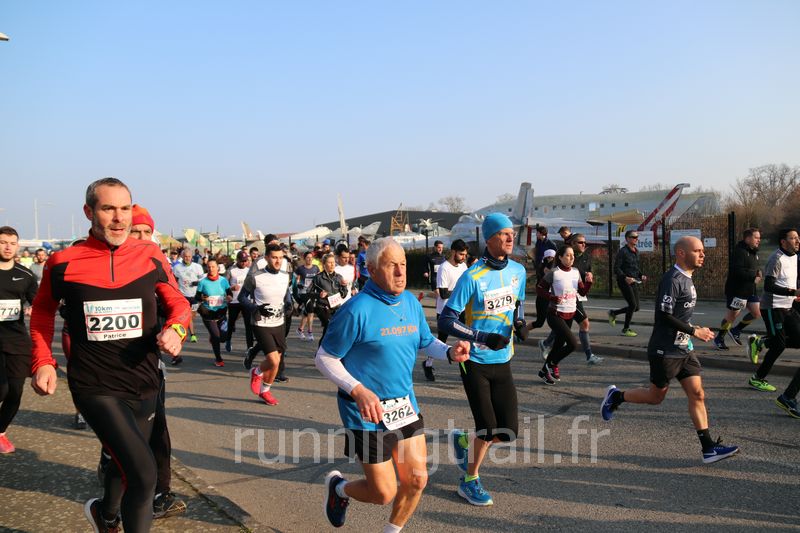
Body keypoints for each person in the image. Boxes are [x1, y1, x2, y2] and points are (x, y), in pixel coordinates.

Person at [30, 177, 191, 533]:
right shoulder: (62, 262)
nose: (119, 218)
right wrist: (43, 361)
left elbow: (178, 303)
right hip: (95, 386)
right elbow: (41, 312)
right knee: (144, 474)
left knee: (124, 463)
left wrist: (177, 330)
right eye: (108, 209)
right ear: (89, 212)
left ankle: (105, 516)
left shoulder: (150, 255)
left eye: (125, 208)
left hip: (145, 381)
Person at [316, 237, 470, 531]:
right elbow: (324, 358)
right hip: (366, 413)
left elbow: (425, 341)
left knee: (417, 480)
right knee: (383, 493)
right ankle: (339, 488)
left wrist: (449, 352)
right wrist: (357, 390)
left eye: (403, 264)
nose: (400, 272)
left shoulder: (410, 302)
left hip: (404, 406)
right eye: (391, 266)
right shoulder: (355, 310)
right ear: (372, 270)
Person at [601, 236, 739, 464]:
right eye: (697, 251)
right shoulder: (672, 279)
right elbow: (663, 315)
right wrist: (694, 331)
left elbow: (679, 315)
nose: (703, 255)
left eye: (703, 251)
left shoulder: (688, 278)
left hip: (684, 349)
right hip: (664, 350)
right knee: (655, 397)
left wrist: (693, 330)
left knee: (697, 394)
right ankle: (616, 396)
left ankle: (708, 449)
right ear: (682, 253)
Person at [438, 213, 527, 506]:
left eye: (511, 233)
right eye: (503, 233)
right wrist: (483, 337)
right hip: (474, 361)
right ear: (489, 239)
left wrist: (520, 322)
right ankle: (469, 480)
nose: (511, 237)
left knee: (508, 432)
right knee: (487, 428)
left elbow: (518, 302)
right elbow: (447, 320)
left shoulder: (518, 270)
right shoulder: (472, 276)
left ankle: (465, 441)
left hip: (503, 359)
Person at [127, 204, 188, 519]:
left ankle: (161, 493)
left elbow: (178, 303)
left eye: (146, 232)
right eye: (135, 231)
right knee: (121, 435)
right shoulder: (102, 263)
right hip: (105, 370)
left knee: (157, 432)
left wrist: (175, 329)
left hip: (149, 363)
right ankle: (114, 490)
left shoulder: (156, 262)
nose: (141, 237)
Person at [746, 228, 800, 392]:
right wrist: (793, 292)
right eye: (793, 238)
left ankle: (761, 342)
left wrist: (794, 295)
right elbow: (769, 286)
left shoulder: (795, 256)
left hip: (788, 307)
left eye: (798, 237)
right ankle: (757, 379)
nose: (798, 241)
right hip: (772, 308)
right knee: (778, 345)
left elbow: (788, 280)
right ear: (783, 242)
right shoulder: (776, 259)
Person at [0, 226, 38, 454]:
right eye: (3, 242)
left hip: (16, 340)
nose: (8, 247)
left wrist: (34, 308)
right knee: (1, 389)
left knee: (15, 392)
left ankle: (0, 431)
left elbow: (39, 303)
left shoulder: (25, 275)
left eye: (12, 243)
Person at [239, 243, 292, 406]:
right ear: (267, 258)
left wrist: (289, 304)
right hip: (261, 323)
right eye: (274, 257)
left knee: (277, 359)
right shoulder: (255, 276)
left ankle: (264, 390)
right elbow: (242, 297)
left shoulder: (285, 276)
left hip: (279, 322)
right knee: (274, 360)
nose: (278, 261)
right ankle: (257, 372)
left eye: (280, 258)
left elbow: (286, 293)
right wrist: (255, 308)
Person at [538, 234, 603, 365]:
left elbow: (583, 285)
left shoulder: (585, 258)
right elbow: (544, 282)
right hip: (561, 303)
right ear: (572, 243)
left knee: (565, 329)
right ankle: (587, 356)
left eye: (585, 242)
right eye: (580, 242)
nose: (584, 244)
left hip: (575, 298)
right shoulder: (561, 262)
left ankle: (548, 348)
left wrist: (589, 280)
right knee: (577, 329)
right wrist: (552, 296)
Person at [536, 244, 592, 384]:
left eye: (573, 255)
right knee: (573, 344)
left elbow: (582, 292)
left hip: (569, 313)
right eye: (568, 255)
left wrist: (589, 283)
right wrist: (552, 297)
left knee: (558, 345)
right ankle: (551, 364)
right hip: (555, 314)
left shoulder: (575, 272)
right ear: (560, 257)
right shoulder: (554, 273)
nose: (571, 258)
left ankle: (544, 371)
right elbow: (540, 289)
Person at [423, 239, 468, 381]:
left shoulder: (463, 266)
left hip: (462, 309)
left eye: (465, 255)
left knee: (464, 340)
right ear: (453, 252)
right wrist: (460, 291)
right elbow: (443, 293)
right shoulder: (444, 268)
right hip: (445, 311)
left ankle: (464, 371)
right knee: (441, 340)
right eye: (461, 254)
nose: (463, 257)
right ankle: (428, 364)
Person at [714, 228, 762, 350]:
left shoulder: (753, 252)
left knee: (756, 313)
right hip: (737, 290)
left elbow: (751, 268)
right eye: (756, 237)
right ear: (748, 238)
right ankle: (719, 338)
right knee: (732, 316)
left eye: (759, 238)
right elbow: (737, 271)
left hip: (750, 290)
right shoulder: (739, 251)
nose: (759, 240)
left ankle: (736, 330)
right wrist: (753, 277)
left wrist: (758, 272)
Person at [608, 229, 647, 336]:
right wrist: (625, 277)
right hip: (623, 282)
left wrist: (641, 275)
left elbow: (635, 267)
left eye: (637, 237)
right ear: (627, 239)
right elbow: (616, 268)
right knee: (632, 305)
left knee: (636, 307)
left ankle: (613, 313)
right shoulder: (623, 251)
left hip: (633, 281)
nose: (636, 239)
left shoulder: (636, 251)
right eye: (634, 237)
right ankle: (625, 329)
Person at [196, 259, 232, 367]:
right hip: (208, 313)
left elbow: (229, 293)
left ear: (217, 268)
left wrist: (229, 297)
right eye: (209, 267)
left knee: (223, 338)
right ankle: (218, 359)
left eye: (213, 267)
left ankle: (213, 337)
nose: (211, 269)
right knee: (216, 337)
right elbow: (197, 297)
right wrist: (203, 298)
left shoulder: (223, 281)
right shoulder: (203, 282)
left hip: (221, 313)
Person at [310, 253, 349, 342]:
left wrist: (344, 286)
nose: (332, 264)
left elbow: (343, 295)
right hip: (322, 307)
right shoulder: (318, 278)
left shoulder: (339, 277)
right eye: (329, 262)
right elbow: (309, 292)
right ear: (324, 264)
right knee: (329, 325)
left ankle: (324, 347)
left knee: (333, 329)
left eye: (333, 262)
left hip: (336, 307)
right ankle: (323, 347)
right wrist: (319, 295)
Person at [172, 248, 205, 343]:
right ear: (182, 256)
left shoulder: (197, 267)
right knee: (186, 316)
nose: (187, 258)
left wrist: (197, 283)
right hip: (183, 295)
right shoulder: (177, 267)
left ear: (192, 257)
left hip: (195, 296)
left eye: (189, 256)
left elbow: (203, 281)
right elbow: (174, 281)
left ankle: (185, 331)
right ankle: (192, 335)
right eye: (185, 256)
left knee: (191, 316)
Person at [225, 251, 254, 352]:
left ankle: (249, 347)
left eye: (245, 261)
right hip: (234, 301)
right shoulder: (231, 270)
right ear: (237, 260)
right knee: (231, 322)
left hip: (246, 301)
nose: (244, 263)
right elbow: (224, 285)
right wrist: (231, 288)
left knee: (248, 325)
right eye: (242, 261)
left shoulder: (249, 270)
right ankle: (228, 340)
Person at [294, 250, 320, 341]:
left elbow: (318, 279)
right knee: (311, 311)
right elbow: (295, 279)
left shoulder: (316, 268)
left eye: (311, 258)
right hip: (303, 292)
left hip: (312, 292)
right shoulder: (300, 269)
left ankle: (300, 330)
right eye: (308, 258)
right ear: (304, 259)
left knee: (306, 312)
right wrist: (298, 283)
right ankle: (310, 332)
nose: (309, 259)